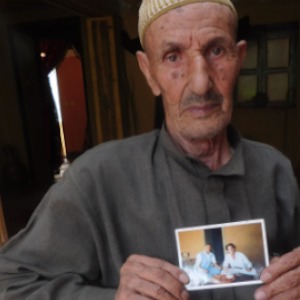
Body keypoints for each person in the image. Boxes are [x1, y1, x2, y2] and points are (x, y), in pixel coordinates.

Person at [0, 0, 300, 299]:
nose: (200, 83)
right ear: (148, 72)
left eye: (217, 50)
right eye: (173, 57)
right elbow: (9, 283)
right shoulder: (96, 179)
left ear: (239, 58)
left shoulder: (276, 170)